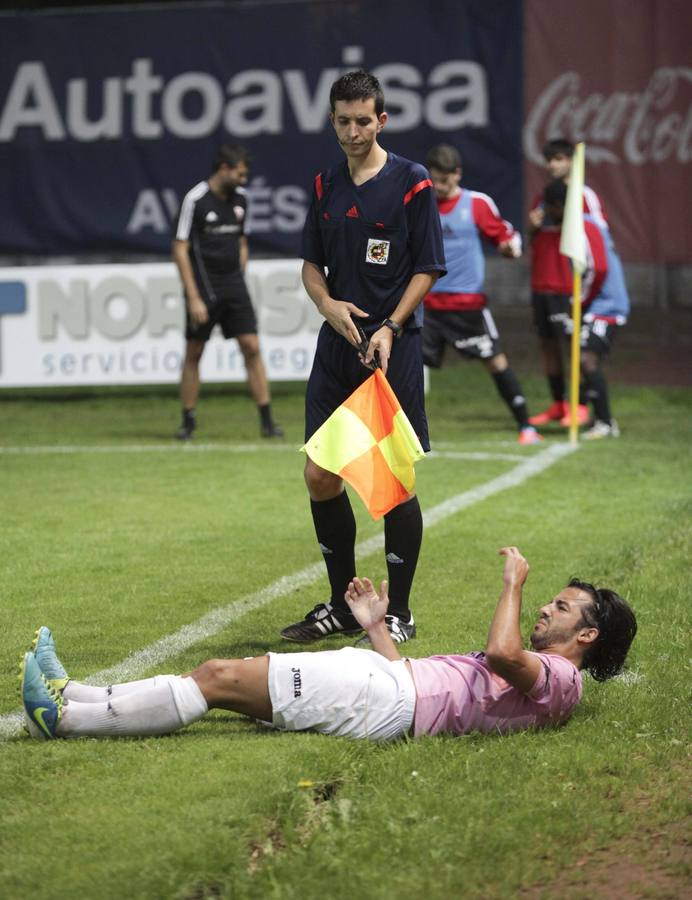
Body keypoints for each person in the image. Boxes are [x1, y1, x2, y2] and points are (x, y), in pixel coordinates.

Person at [20, 547, 637, 742]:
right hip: (389, 685)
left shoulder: (564, 680)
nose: (544, 609)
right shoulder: (553, 675)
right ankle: (74, 693)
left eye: (561, 608)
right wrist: (374, 626)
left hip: (386, 701)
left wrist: (512, 584)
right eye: (546, 599)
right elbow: (440, 687)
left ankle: (66, 720)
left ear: (586, 636)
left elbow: (501, 654)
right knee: (219, 675)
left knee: (217, 679)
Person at [279, 71, 446, 645]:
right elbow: (309, 264)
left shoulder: (412, 182)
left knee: (390, 482)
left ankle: (398, 611)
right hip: (337, 350)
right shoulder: (325, 184)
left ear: (382, 120)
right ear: (332, 120)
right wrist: (326, 305)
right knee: (320, 476)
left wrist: (393, 327)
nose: (352, 131)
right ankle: (346, 603)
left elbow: (426, 267)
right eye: (343, 120)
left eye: (363, 120)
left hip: (388, 351)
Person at [422, 144, 542, 445]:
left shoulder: (476, 204)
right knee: (401, 366)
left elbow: (507, 238)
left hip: (467, 306)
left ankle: (526, 426)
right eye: (434, 179)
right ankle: (393, 433)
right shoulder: (420, 205)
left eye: (445, 181)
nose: (439, 187)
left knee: (495, 361)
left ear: (457, 175)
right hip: (425, 305)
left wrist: (510, 248)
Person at [172, 143, 282, 441]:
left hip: (234, 285)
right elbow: (180, 249)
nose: (244, 180)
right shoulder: (195, 200)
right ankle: (188, 421)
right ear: (223, 168)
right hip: (204, 287)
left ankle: (268, 421)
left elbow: (242, 241)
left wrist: (240, 273)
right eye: (240, 174)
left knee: (252, 347)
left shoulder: (242, 200)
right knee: (194, 351)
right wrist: (193, 296)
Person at [527, 138, 609, 428]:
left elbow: (599, 236)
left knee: (575, 347)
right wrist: (532, 228)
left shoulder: (584, 196)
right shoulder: (542, 197)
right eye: (549, 159)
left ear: (573, 161)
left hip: (569, 285)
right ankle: (559, 403)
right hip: (542, 284)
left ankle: (581, 404)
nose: (553, 165)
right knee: (548, 346)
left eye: (560, 159)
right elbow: (533, 239)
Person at [538, 182, 629, 439]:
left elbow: (598, 268)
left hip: (606, 305)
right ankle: (597, 417)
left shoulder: (583, 226)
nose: (547, 213)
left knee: (587, 358)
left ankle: (606, 422)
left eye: (548, 208)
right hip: (596, 303)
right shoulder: (580, 225)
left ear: (557, 206)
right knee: (582, 357)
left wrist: (578, 301)